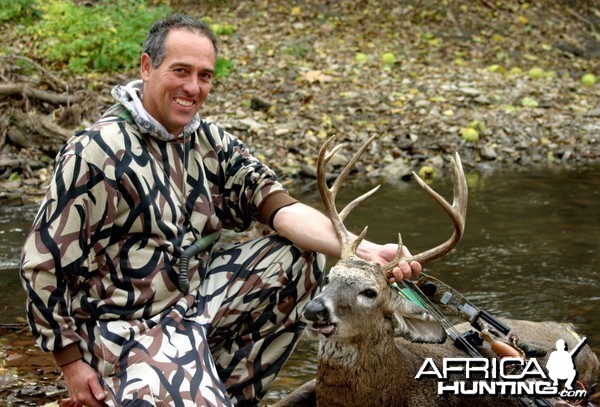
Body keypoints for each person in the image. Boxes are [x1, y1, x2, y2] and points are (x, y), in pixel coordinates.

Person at [20, 13, 421, 407]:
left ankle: (225, 392)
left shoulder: (209, 141)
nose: (193, 87)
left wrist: (359, 250)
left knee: (304, 255)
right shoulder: (95, 153)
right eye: (181, 70)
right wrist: (70, 363)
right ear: (147, 66)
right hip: (126, 328)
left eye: (205, 75)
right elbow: (42, 265)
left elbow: (281, 207)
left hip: (194, 305)